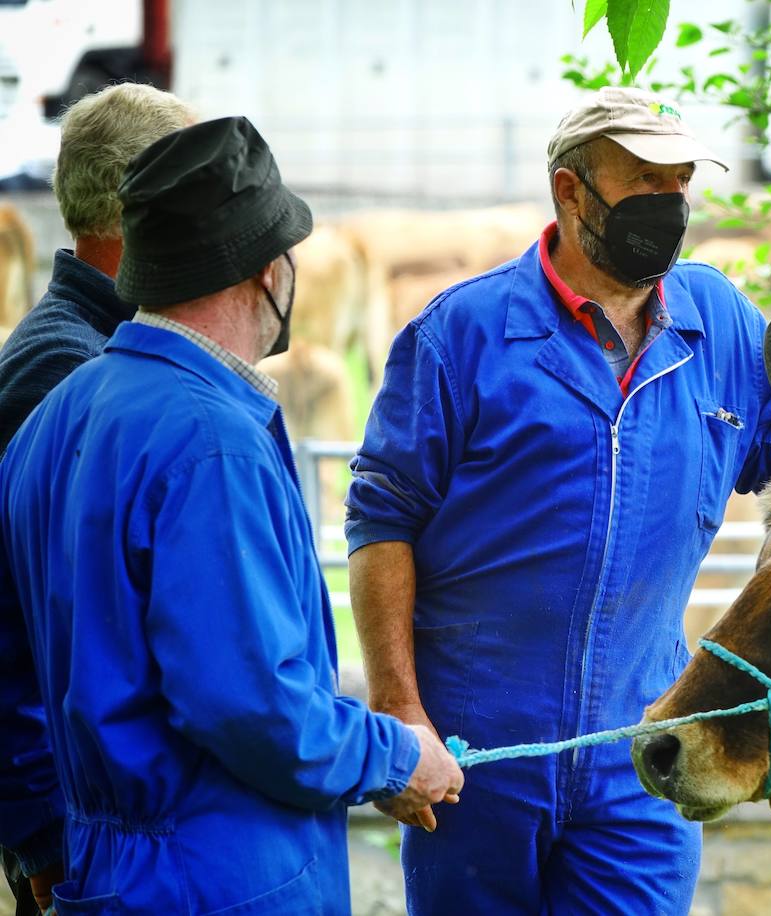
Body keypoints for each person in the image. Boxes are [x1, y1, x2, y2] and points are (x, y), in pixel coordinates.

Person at [345, 86, 771, 913]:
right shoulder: (461, 337)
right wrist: (401, 714)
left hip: (639, 757)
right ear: (571, 190)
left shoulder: (716, 320)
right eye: (645, 180)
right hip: (478, 767)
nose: (669, 204)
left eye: (680, 182)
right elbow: (381, 521)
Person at [0, 115, 463, 915]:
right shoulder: (210, 442)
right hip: (225, 880)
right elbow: (248, 703)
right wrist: (394, 755)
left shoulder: (62, 410)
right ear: (264, 271)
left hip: (104, 873)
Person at [0, 81, 194, 915]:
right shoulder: (68, 375)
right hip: (79, 839)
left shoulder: (88, 349)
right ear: (143, 205)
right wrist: (43, 838)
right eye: (196, 192)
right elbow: (17, 631)